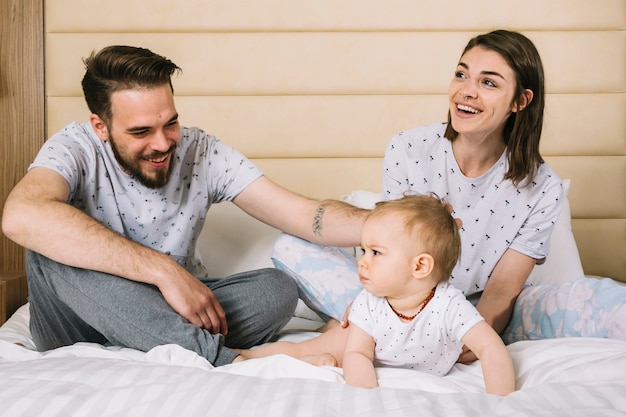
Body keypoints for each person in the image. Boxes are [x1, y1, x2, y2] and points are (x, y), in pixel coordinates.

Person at [0, 45, 368, 366]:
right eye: (141, 132)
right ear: (100, 126)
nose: (162, 143)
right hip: (77, 321)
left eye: (171, 123)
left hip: (175, 313)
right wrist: (164, 271)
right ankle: (230, 359)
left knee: (276, 289)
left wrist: (389, 224)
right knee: (47, 248)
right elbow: (21, 216)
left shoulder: (202, 152)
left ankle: (157, 338)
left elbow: (304, 215)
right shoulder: (73, 148)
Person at [272, 29, 565, 363]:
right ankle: (367, 331)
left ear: (520, 101)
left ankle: (347, 338)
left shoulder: (543, 187)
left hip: (465, 311)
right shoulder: (408, 148)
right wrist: (379, 304)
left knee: (594, 300)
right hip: (395, 295)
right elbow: (391, 249)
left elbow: (502, 289)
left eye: (489, 83)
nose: (466, 91)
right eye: (461, 74)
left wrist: (471, 335)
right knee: (290, 246)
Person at [239, 194, 516, 395]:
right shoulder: (369, 303)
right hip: (370, 350)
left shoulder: (450, 305)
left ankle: (322, 357)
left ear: (419, 265)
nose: (362, 261)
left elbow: (490, 349)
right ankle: (244, 356)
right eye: (363, 251)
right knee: (303, 349)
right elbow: (358, 354)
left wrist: (501, 402)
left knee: (326, 351)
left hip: (410, 357)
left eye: (376, 252)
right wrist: (366, 396)